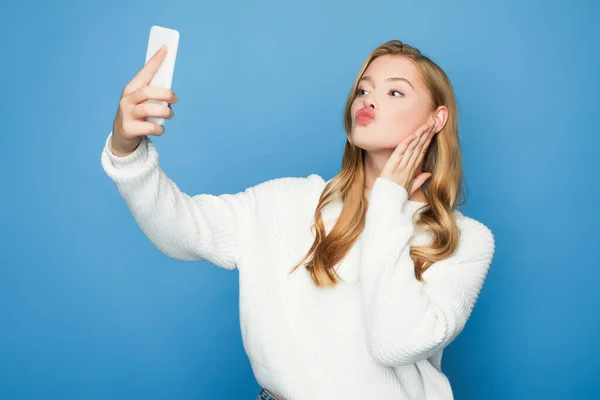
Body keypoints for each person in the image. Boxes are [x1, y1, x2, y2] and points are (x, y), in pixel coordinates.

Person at [100, 40, 496, 400]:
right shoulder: (289, 201)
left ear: (436, 118)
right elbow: (180, 229)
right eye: (364, 88)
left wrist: (389, 200)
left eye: (394, 91)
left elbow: (394, 342)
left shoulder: (464, 241)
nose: (370, 99)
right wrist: (126, 148)